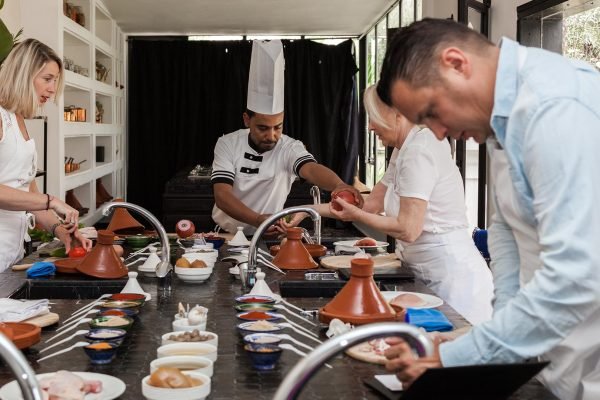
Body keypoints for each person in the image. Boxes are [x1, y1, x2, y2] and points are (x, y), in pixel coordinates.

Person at [376, 18, 600, 400]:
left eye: (431, 111)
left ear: (456, 63)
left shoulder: (555, 109)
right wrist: (496, 343)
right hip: (555, 360)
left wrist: (462, 354)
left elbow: (576, 277)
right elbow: (508, 235)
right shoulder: (503, 125)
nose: (439, 132)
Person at [318, 84, 493, 324]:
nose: (370, 127)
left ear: (398, 115)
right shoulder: (403, 149)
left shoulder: (420, 150)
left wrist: (355, 215)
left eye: (373, 118)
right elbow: (369, 205)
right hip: (424, 271)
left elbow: (409, 229)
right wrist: (305, 212)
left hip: (453, 279)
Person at [211, 40, 360, 235]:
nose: (271, 136)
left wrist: (339, 185)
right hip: (228, 234)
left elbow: (312, 170)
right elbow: (222, 195)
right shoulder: (228, 144)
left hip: (271, 234)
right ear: (247, 120)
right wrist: (257, 220)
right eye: (263, 128)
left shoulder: (289, 147)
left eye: (277, 127)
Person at [0, 39, 92, 272]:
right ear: (23, 74)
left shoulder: (17, 118)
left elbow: (27, 192)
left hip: (11, 252)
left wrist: (60, 231)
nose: (52, 89)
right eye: (47, 79)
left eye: (55, 81)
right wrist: (52, 201)